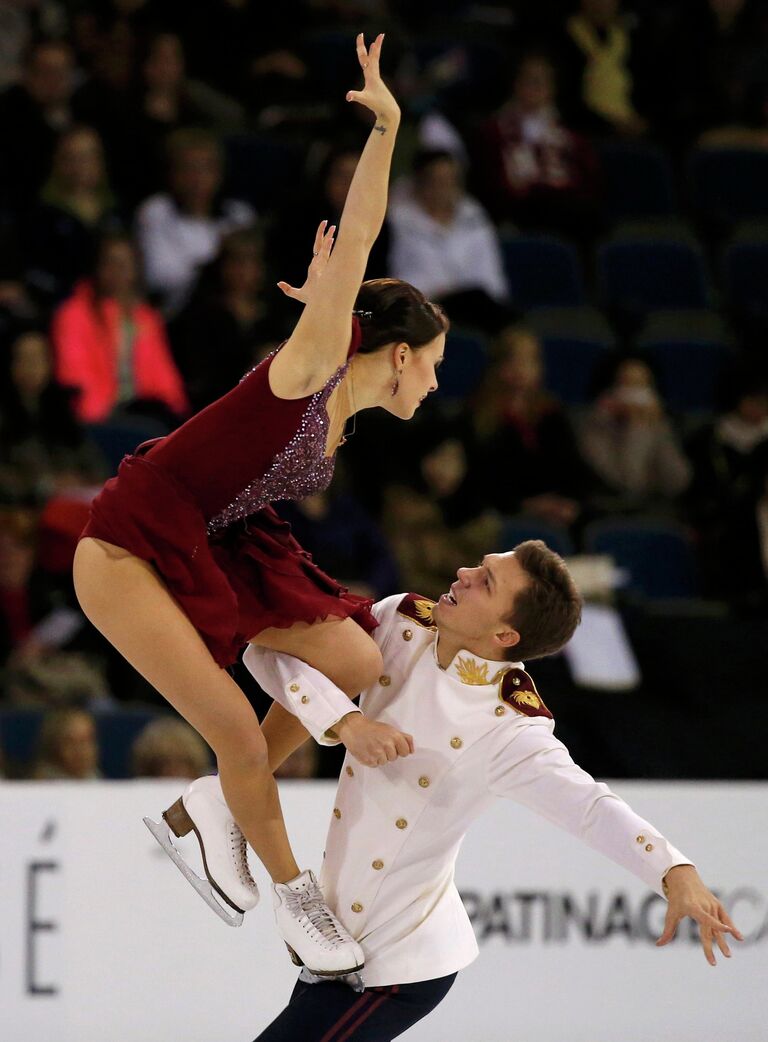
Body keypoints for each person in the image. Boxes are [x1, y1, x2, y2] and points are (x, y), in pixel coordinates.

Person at [72, 34, 448, 978]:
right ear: (397, 354)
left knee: (359, 655)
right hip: (128, 549)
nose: (437, 386)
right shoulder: (314, 368)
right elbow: (360, 240)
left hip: (218, 537)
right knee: (238, 729)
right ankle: (298, 908)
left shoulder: (346, 423)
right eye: (433, 366)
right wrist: (387, 130)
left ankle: (210, 806)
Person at [184, 540, 741, 1041]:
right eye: (481, 564)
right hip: (335, 940)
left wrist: (674, 870)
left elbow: (591, 807)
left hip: (400, 962)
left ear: (505, 635)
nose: (463, 572)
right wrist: (345, 722)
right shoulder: (398, 621)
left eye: (486, 582)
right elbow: (271, 654)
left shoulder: (510, 728)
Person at [50, 231, 189, 426]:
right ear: (96, 267)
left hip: (145, 415)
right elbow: (74, 375)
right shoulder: (73, 314)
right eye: (110, 263)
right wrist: (101, 416)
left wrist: (176, 413)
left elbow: (165, 376)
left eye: (125, 265)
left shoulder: (147, 317)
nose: (118, 271)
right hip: (100, 420)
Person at [134, 126, 255, 315]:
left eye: (207, 168)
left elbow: (253, 278)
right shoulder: (156, 211)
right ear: (172, 172)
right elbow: (160, 276)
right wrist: (217, 262)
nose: (198, 179)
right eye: (189, 168)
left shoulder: (239, 215)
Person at [30, 706, 101, 780]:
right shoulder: (41, 785)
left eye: (87, 740)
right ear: (53, 746)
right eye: (70, 742)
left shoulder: (94, 778)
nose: (80, 750)